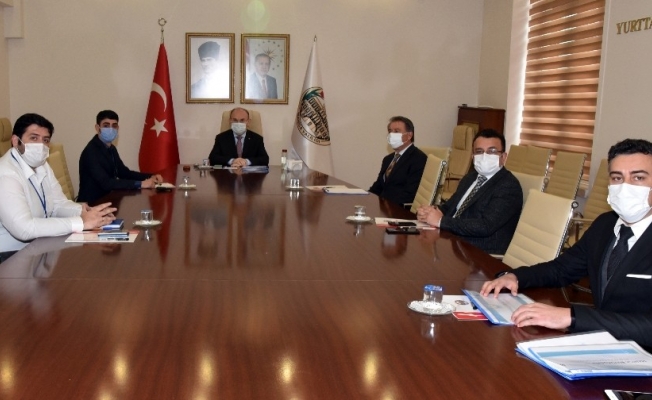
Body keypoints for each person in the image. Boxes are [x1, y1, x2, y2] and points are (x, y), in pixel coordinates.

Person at [481, 138, 652, 348]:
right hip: (605, 345)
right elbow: (561, 269)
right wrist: (516, 276)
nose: (625, 187)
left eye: (638, 177)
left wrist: (573, 317)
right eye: (617, 178)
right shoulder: (605, 225)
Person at [0, 113, 116, 260]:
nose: (41, 145)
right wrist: (81, 222)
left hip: (39, 246)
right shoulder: (5, 174)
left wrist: (86, 212)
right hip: (10, 256)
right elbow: (24, 229)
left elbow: (58, 205)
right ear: (16, 141)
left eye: (45, 140)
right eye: (34, 138)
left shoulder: (42, 165)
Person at [416, 129, 522, 254]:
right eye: (479, 151)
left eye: (491, 151)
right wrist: (431, 212)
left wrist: (441, 221)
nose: (484, 156)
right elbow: (449, 207)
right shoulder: (470, 177)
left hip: (480, 252)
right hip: (454, 242)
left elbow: (485, 226)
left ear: (503, 157)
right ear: (473, 156)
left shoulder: (508, 186)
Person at [77, 110, 163, 204]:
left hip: (108, 199)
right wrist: (141, 184)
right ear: (97, 128)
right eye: (106, 126)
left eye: (114, 126)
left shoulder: (111, 148)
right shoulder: (91, 152)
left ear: (117, 128)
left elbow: (124, 173)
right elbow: (106, 183)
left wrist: (151, 176)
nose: (111, 129)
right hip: (91, 205)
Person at [369, 116, 427, 206]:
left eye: (396, 131)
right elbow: (378, 186)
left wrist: (384, 203)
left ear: (409, 135)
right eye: (390, 131)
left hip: (398, 209)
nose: (392, 134)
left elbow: (410, 194)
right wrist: (365, 197)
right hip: (383, 206)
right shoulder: (388, 159)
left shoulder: (419, 158)